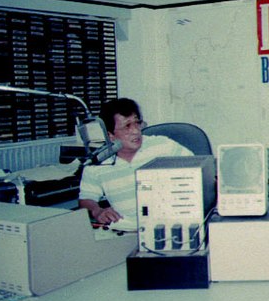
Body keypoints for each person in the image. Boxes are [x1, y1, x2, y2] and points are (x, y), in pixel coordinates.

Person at [78, 98, 193, 230]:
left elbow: (201, 169)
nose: (136, 131)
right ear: (110, 135)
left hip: (173, 225)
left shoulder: (163, 146)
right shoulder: (97, 163)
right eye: (127, 126)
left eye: (137, 123)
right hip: (128, 231)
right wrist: (97, 211)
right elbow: (86, 199)